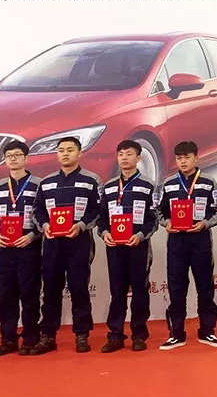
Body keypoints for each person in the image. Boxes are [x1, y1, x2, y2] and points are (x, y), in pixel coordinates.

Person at [30, 136, 102, 355]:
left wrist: (81, 225)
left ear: (79, 153)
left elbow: (98, 210)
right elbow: (37, 210)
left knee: (79, 288)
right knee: (50, 290)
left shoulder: (91, 180)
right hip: (53, 244)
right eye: (61, 150)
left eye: (70, 150)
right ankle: (48, 336)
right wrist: (44, 225)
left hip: (79, 241)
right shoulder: (47, 182)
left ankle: (82, 334)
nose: (65, 154)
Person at [156, 141, 217, 350]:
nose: (183, 161)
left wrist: (204, 223)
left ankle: (207, 331)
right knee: (176, 288)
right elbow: (158, 211)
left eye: (187, 157)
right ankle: (177, 334)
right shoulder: (168, 183)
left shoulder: (208, 182)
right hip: (177, 242)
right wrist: (167, 223)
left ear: (196, 157)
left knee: (205, 287)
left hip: (200, 240)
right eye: (179, 158)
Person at [98, 140, 158, 352]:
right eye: (121, 154)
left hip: (138, 247)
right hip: (115, 247)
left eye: (129, 154)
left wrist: (140, 236)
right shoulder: (108, 187)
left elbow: (154, 219)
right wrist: (105, 233)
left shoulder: (149, 186)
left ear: (138, 157)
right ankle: (115, 335)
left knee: (140, 290)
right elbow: (102, 218)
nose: (124, 158)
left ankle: (139, 335)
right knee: (117, 291)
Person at [0, 141, 43, 356]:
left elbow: (44, 216)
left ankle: (31, 338)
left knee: (30, 295)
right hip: (5, 249)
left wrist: (31, 236)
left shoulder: (39, 185)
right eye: (9, 155)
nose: (13, 159)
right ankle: (8, 339)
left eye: (17, 155)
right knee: (6, 295)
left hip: (28, 247)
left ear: (26, 158)